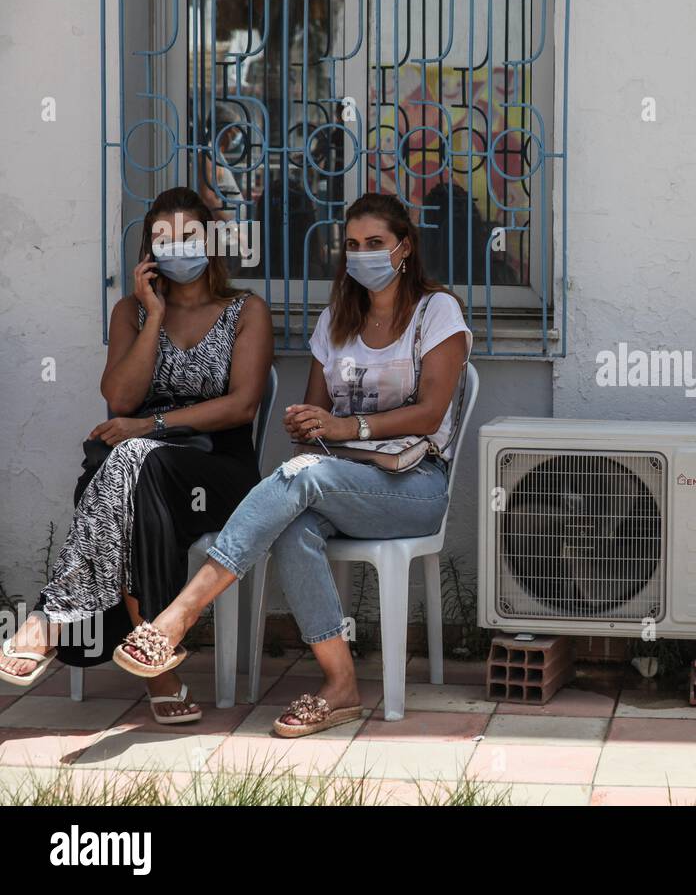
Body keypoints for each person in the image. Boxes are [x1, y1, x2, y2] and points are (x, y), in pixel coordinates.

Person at [112, 192, 472, 738]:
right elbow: (317, 415)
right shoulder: (336, 320)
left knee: (300, 477)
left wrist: (348, 428)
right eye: (352, 245)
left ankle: (177, 618)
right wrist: (310, 424)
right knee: (292, 525)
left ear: (404, 248)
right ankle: (341, 684)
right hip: (342, 479)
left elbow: (431, 411)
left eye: (375, 244)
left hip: (413, 485)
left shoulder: (435, 310)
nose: (362, 255)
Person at [0, 187, 273, 723]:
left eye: (189, 236)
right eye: (163, 238)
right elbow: (119, 399)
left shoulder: (246, 310)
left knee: (124, 462)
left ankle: (51, 622)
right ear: (148, 251)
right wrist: (153, 312)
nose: (177, 247)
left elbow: (242, 406)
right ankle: (160, 669)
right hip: (143, 476)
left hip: (215, 471)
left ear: (213, 242)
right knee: (132, 476)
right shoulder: (132, 310)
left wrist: (152, 425)